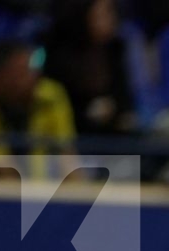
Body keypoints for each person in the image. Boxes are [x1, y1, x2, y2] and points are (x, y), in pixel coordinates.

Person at [0, 41, 77, 174]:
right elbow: (1, 167)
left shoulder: (51, 95)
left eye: (32, 69)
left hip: (44, 185)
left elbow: (67, 155)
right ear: (0, 76)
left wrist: (79, 191)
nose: (33, 76)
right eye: (22, 71)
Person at [43, 0, 137, 144]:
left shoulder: (115, 50)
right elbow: (57, 112)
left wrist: (119, 113)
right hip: (75, 141)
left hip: (114, 139)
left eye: (113, 12)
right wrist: (89, 114)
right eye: (105, 13)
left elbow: (125, 100)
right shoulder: (58, 55)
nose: (113, 19)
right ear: (84, 16)